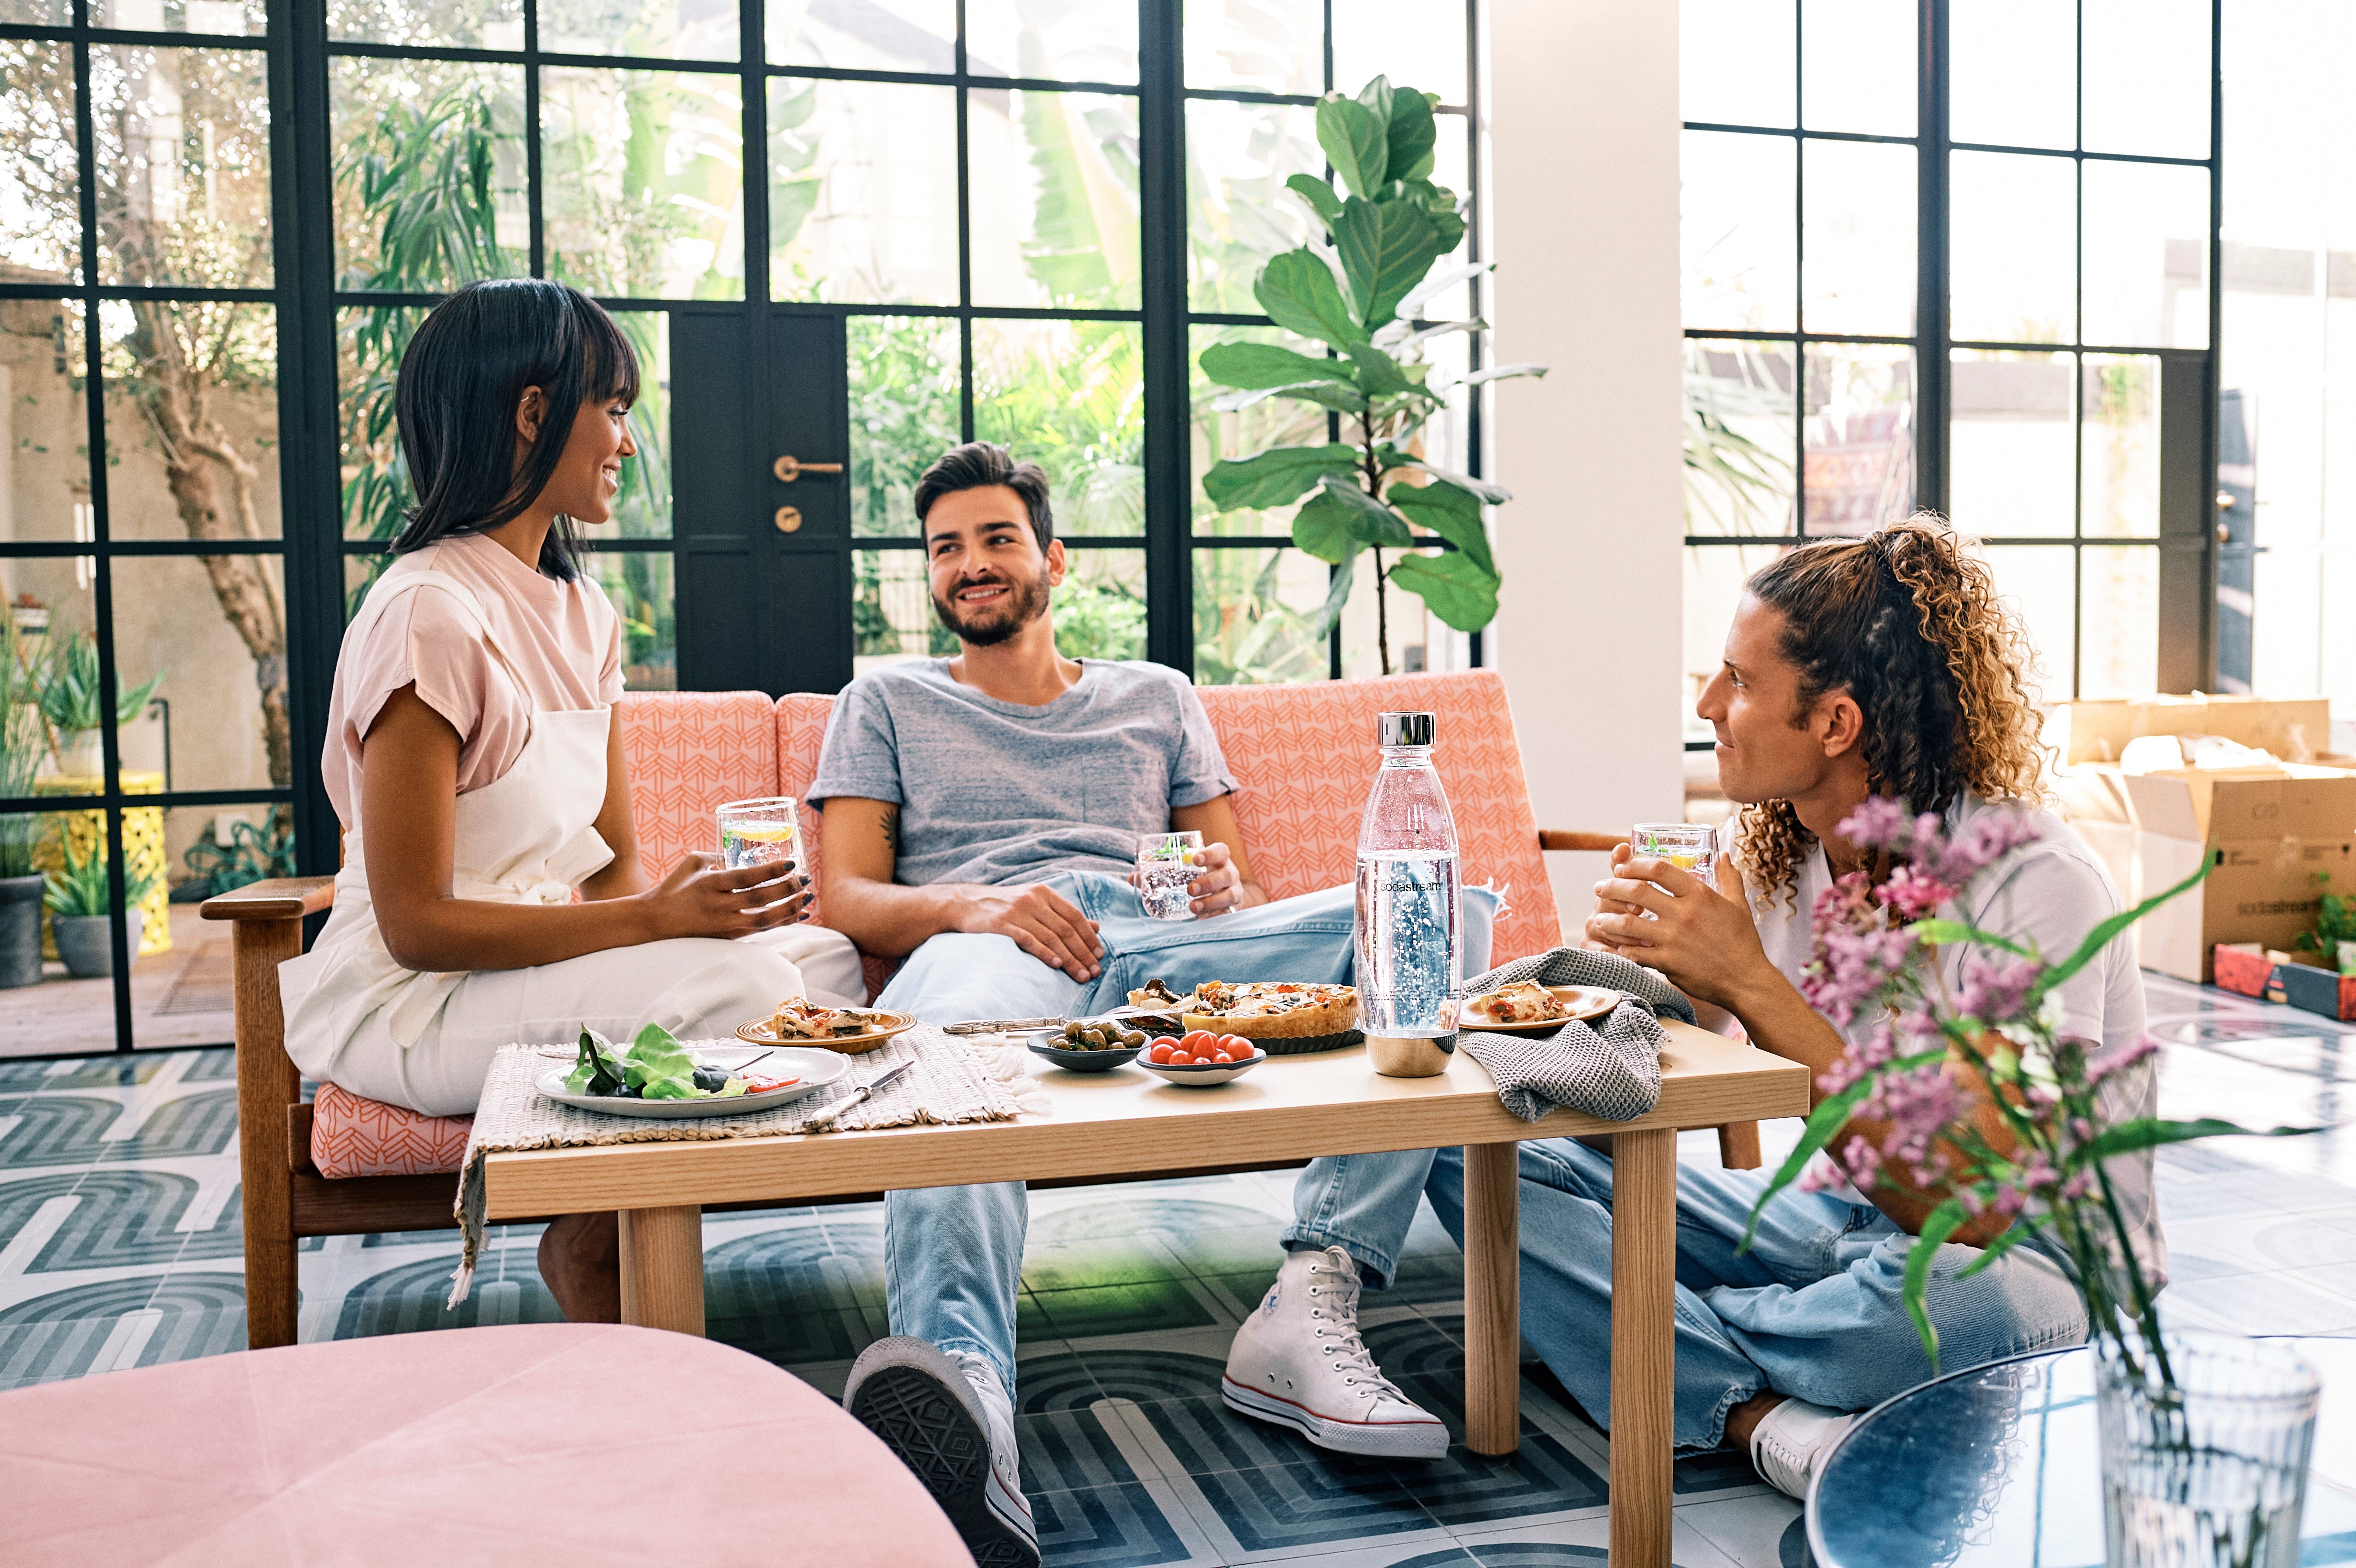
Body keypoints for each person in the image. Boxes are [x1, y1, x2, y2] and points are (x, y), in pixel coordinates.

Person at [1222, 517, 2158, 1503]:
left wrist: (1753, 983)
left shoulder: (2032, 880)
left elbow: (1972, 1207)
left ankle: (1647, 1328)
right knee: (1476, 1146)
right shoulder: (1775, 846)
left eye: (1740, 682)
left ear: (1836, 724)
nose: (1709, 702)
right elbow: (1669, 1057)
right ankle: (1753, 1403)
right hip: (1825, 1224)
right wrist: (1634, 981)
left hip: (2021, 1257)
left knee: (1948, 1314)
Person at [808, 442, 1498, 1568]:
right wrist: (976, 908)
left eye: (995, 539)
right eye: (945, 547)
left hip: (1169, 942)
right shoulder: (883, 697)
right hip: (999, 942)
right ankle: (966, 1406)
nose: (969, 565)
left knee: (1441, 913)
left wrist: (1226, 891)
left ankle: (1312, 1288)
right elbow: (847, 893)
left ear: (1054, 559)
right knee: (954, 1052)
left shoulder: (1156, 693)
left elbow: (1241, 883)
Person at [277, 280, 863, 1321]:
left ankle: (591, 1234)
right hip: (412, 998)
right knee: (739, 994)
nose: (628, 443)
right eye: (617, 409)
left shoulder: (582, 611)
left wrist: (684, 910)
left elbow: (612, 864)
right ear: (533, 413)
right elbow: (415, 925)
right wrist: (656, 926)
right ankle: (601, 1254)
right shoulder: (426, 613)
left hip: (537, 960)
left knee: (821, 963)